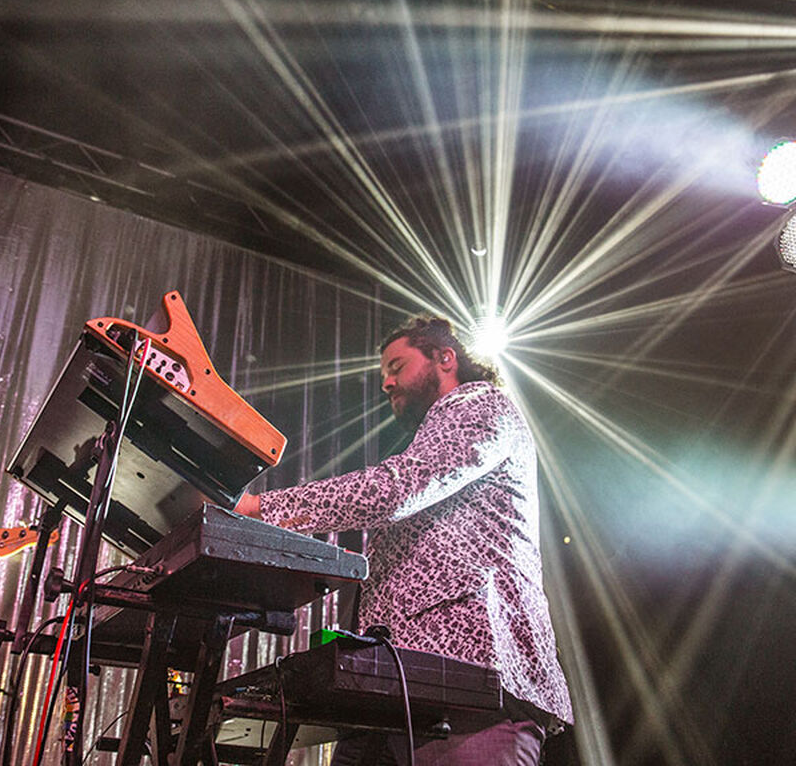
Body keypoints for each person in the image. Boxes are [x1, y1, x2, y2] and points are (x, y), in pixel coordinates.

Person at [235, 316, 573, 765]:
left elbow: (398, 488)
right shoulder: (435, 434)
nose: (387, 382)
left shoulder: (482, 404)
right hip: (400, 688)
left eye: (397, 366)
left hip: (474, 683)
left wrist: (260, 508)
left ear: (445, 358)